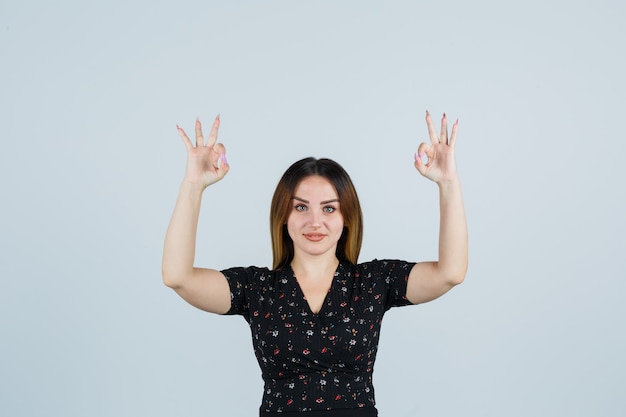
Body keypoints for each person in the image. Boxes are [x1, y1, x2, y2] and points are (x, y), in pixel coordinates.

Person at [162, 111, 468, 416]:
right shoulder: (256, 289)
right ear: (284, 215)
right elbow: (178, 277)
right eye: (301, 207)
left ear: (346, 218)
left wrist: (448, 183)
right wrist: (193, 185)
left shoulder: (375, 282)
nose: (315, 222)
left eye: (329, 209)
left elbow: (450, 273)